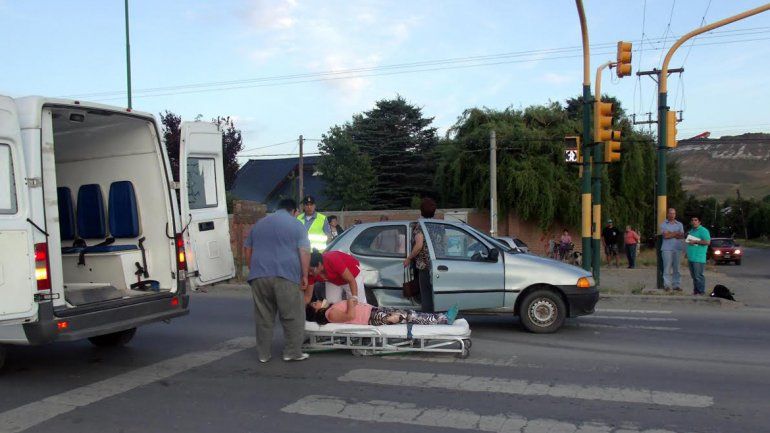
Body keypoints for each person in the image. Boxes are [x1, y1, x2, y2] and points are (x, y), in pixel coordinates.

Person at [244, 198, 311, 363]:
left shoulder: (259, 224)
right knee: (292, 315)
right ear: (294, 211)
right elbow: (304, 251)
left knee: (263, 317)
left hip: (259, 275)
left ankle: (263, 355)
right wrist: (305, 275)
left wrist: (253, 269)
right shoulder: (297, 225)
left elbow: (247, 249)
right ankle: (292, 352)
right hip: (286, 275)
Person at [306, 298, 458, 326]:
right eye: (315, 303)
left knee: (409, 313)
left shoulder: (331, 309)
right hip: (374, 317)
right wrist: (351, 302)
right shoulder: (329, 314)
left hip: (373, 312)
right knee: (409, 316)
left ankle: (442, 316)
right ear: (317, 310)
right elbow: (350, 316)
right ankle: (444, 319)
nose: (318, 300)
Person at [403, 197, 440, 312]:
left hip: (425, 265)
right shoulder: (438, 226)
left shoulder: (420, 226)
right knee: (436, 293)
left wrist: (409, 258)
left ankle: (428, 317)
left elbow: (419, 245)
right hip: (438, 264)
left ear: (421, 211)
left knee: (426, 293)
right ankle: (436, 315)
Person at [660, 208, 685, 291]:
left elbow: (681, 236)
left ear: (675, 214)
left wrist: (671, 233)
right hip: (667, 249)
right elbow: (665, 236)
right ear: (668, 214)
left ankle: (676, 285)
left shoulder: (679, 224)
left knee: (677, 268)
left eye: (673, 213)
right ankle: (667, 285)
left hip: (677, 248)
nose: (672, 215)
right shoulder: (663, 224)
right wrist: (675, 233)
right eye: (670, 213)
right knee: (667, 267)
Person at [685, 216, 711, 296]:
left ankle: (701, 292)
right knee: (694, 276)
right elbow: (690, 242)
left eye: (696, 220)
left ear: (699, 222)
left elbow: (707, 242)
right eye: (692, 220)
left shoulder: (703, 230)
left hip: (699, 257)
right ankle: (696, 291)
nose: (694, 222)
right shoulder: (691, 231)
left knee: (698, 276)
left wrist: (695, 241)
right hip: (691, 257)